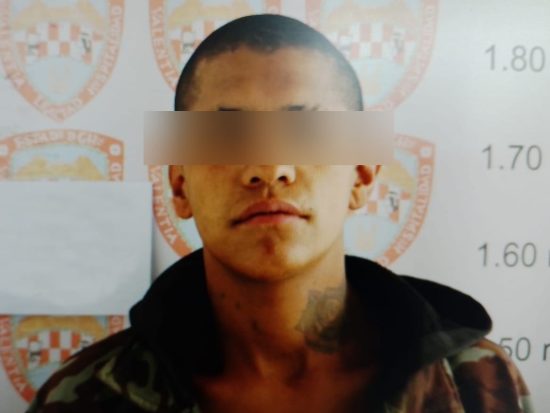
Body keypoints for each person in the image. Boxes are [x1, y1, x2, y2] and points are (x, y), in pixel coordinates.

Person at [27, 14, 534, 413]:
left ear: (361, 174)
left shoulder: (477, 385)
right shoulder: (86, 399)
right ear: (179, 183)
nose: (269, 168)